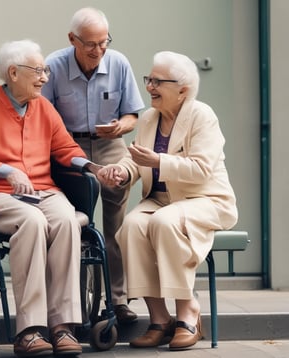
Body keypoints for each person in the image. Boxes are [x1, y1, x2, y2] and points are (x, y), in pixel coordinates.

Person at [0, 39, 89, 357]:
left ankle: (62, 326)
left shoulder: (44, 107)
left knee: (68, 220)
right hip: (0, 194)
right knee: (32, 222)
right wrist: (5, 171)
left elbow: (66, 149)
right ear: (13, 73)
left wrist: (92, 166)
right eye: (38, 71)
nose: (45, 77)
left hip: (44, 190)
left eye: (46, 71)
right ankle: (29, 330)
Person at [96, 51, 238, 350]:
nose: (149, 87)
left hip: (205, 198)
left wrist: (159, 160)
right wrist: (120, 172)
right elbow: (135, 160)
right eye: (149, 79)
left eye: (158, 81)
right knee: (132, 227)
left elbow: (201, 170)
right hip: (161, 199)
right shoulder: (149, 118)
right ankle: (159, 320)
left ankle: (188, 311)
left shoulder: (202, 115)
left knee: (163, 221)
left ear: (183, 89)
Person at [42, 7, 145, 325]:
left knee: (115, 228)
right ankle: (72, 302)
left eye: (104, 42)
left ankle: (118, 300)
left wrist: (120, 127)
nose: (99, 50)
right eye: (91, 44)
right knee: (74, 225)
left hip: (110, 146)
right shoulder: (53, 66)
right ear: (72, 39)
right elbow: (41, 117)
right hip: (67, 147)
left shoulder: (119, 63)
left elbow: (132, 115)